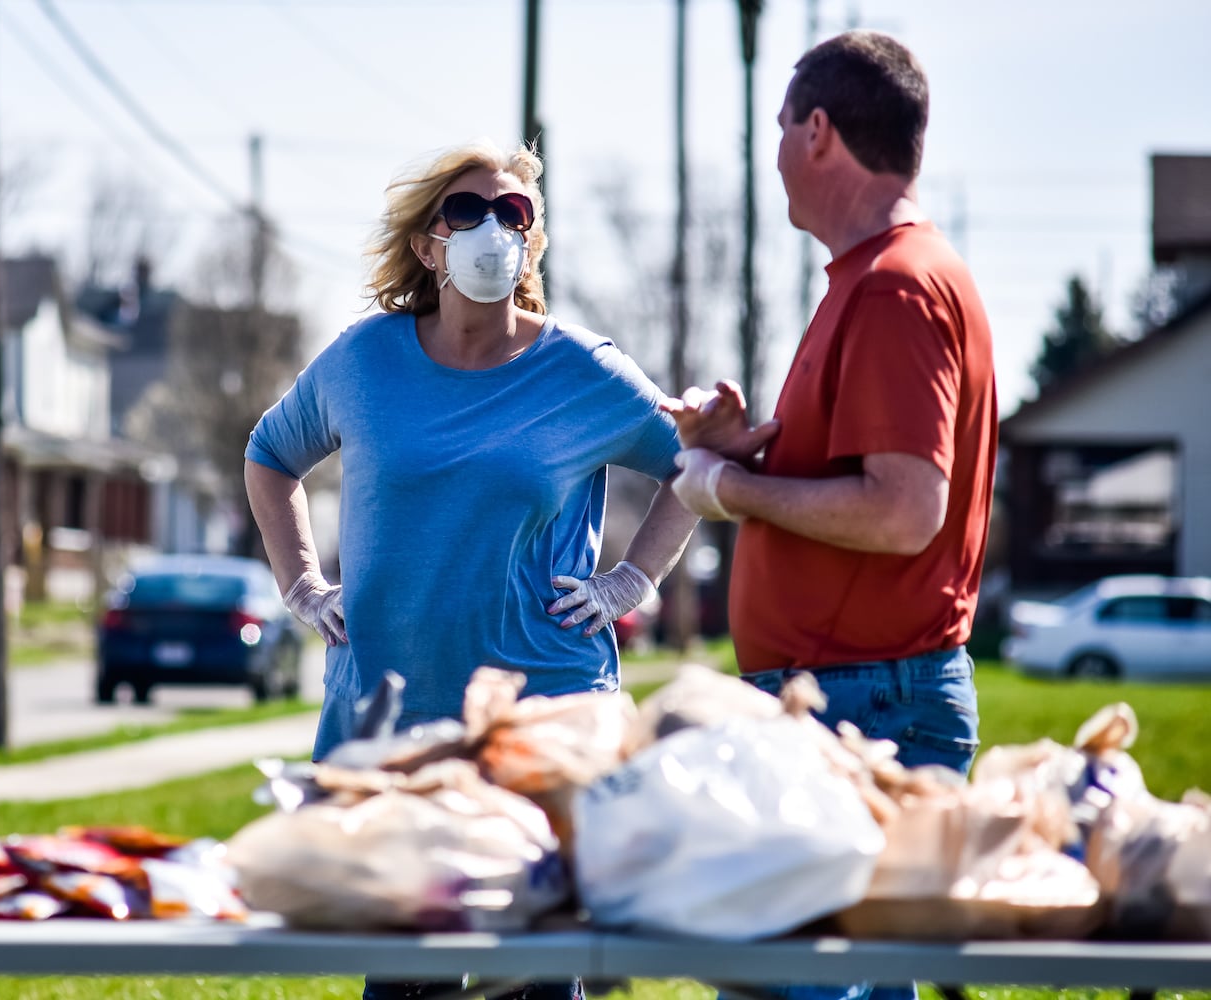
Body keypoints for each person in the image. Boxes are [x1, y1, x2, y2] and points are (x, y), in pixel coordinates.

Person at [244, 138, 699, 1000]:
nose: (492, 228)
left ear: (532, 241)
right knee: (402, 984)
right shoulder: (363, 360)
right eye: (467, 211)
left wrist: (630, 581)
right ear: (427, 243)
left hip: (542, 729)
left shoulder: (584, 370)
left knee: (535, 986)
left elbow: (694, 468)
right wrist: (303, 585)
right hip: (394, 723)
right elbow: (269, 457)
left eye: (512, 213)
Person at [665, 30, 997, 1000]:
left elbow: (904, 511)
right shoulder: (879, 276)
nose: (772, 153)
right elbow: (867, 476)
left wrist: (727, 492)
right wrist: (747, 448)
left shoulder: (896, 285)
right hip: (860, 697)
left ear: (818, 132)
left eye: (780, 128)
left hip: (864, 705)